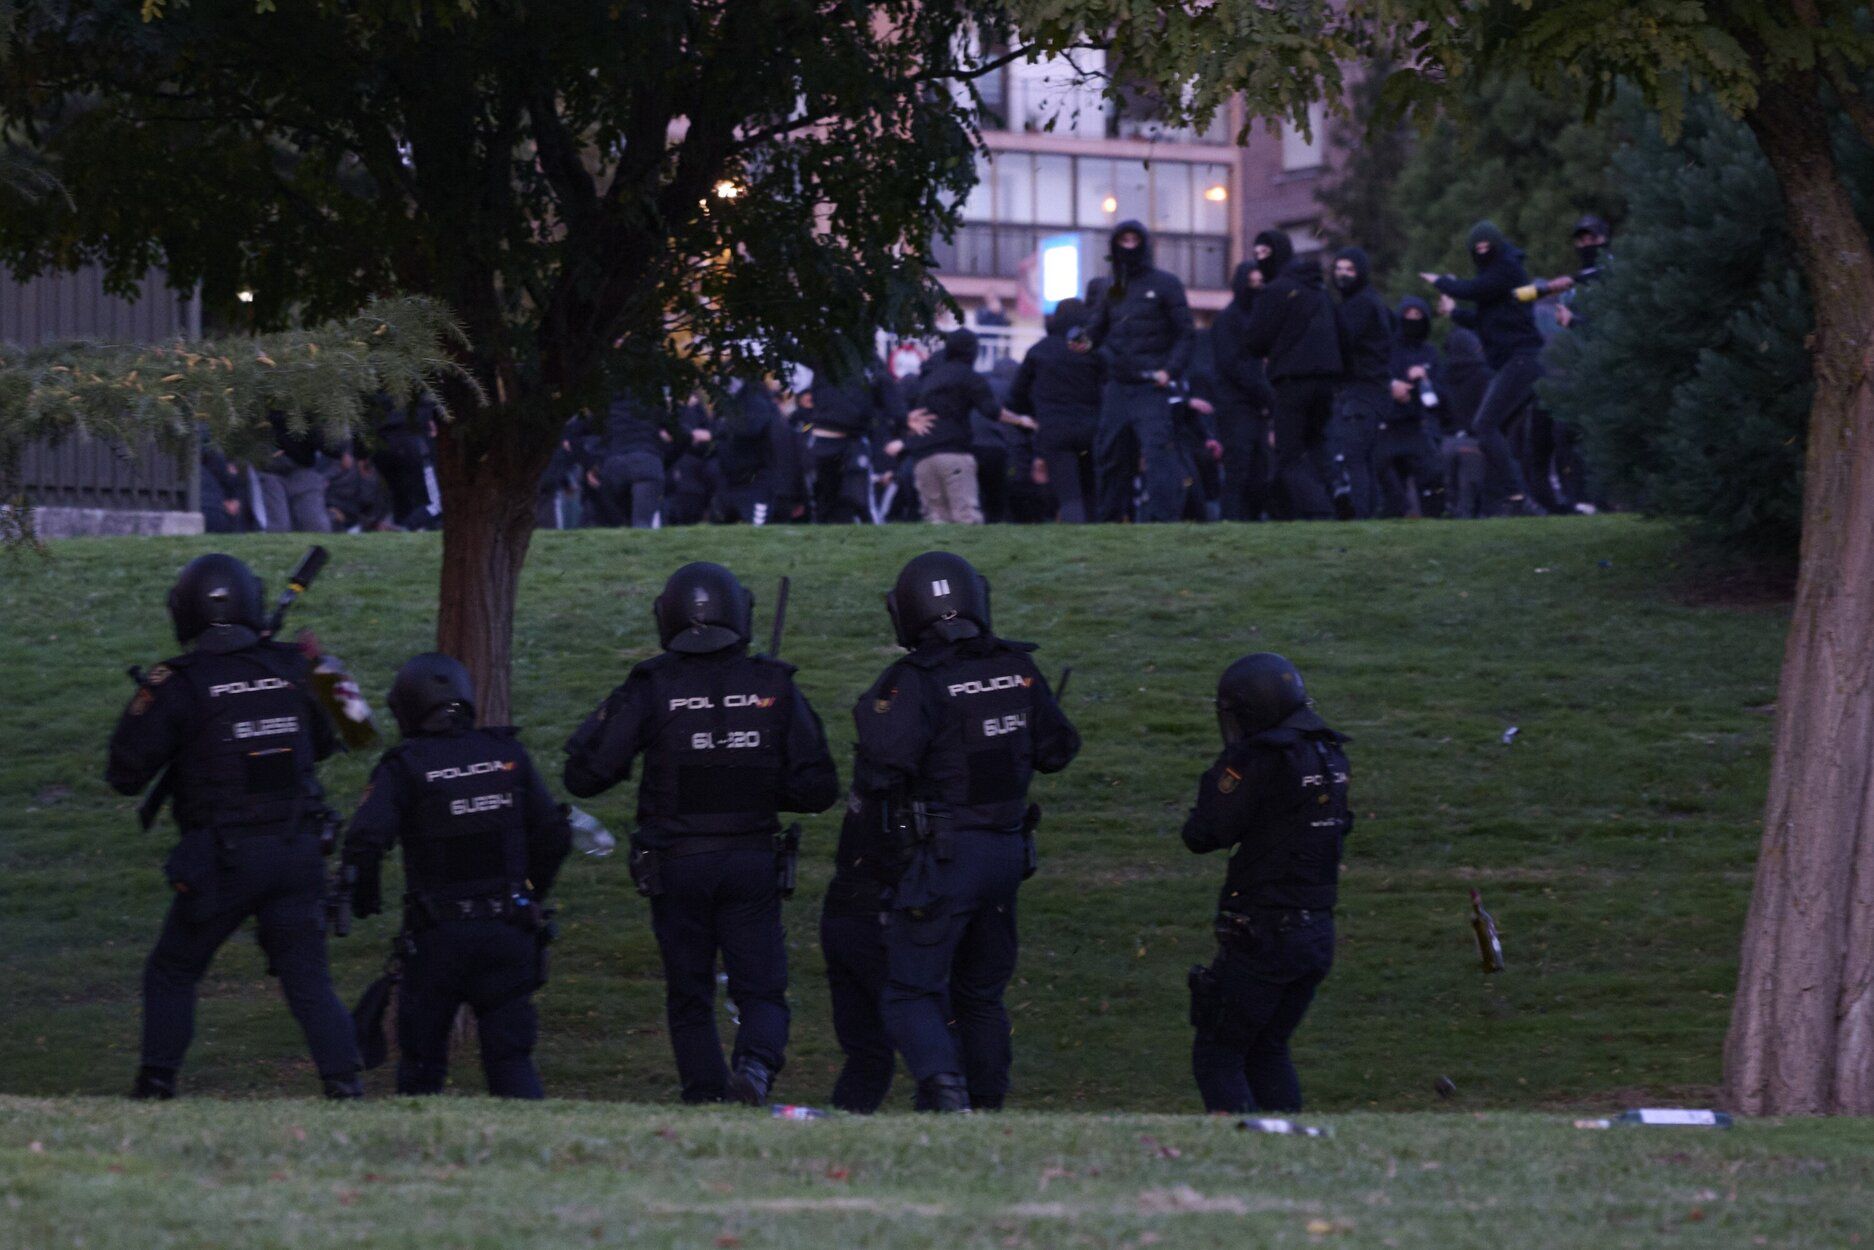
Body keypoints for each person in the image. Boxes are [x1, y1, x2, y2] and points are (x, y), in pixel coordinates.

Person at [562, 562, 839, 1104]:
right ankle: (755, 1069)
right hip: (750, 861)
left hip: (677, 863)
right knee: (761, 988)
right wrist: (758, 782)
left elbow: (586, 775)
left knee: (689, 993)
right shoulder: (772, 683)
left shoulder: (652, 685)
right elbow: (818, 789)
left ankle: (704, 1093)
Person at [105, 554, 361, 1100]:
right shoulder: (295, 666)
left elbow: (123, 774)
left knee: (173, 970)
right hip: (297, 850)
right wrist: (324, 665)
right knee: (307, 978)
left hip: (224, 858)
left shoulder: (178, 682)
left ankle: (155, 1087)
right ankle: (347, 1088)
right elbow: (356, 730)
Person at [852, 552, 1080, 1111]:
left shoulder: (917, 681)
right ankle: (987, 1102)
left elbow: (881, 764)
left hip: (946, 858)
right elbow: (1059, 750)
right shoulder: (1018, 668)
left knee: (911, 990)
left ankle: (945, 1090)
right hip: (1006, 853)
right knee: (980, 995)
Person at [341, 653, 571, 1097]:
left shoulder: (406, 766)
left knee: (422, 1065)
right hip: (508, 930)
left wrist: (365, 898)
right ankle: (536, 1157)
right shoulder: (508, 754)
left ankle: (420, 1159)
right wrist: (529, 892)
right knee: (511, 1060)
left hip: (438, 938)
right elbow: (555, 835)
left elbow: (365, 839)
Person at [1182, 653, 1351, 1115]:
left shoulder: (1261, 758)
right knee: (1268, 1048)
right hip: (1316, 930)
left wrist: (1224, 772)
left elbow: (1203, 834)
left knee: (1218, 1055)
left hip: (1266, 932)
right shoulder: (1329, 753)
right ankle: (1287, 1159)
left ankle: (1243, 1160)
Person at [1421, 221, 1548, 515]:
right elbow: (1482, 320)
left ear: (1497, 245)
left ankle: (1518, 498)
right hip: (1514, 362)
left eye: (1485, 247)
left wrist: (1442, 282)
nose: (1482, 253)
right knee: (1497, 432)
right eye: (1476, 249)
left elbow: (1472, 289)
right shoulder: (1497, 283)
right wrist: (1453, 313)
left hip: (1522, 360)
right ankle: (1508, 500)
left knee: (1484, 426)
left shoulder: (1507, 269)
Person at [1085, 220, 1196, 523]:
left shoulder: (1165, 284)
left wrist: (1169, 371)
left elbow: (1185, 333)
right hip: (1119, 385)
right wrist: (1082, 341)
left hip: (1152, 386)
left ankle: (1163, 519)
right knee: (1110, 454)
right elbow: (1096, 329)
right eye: (1124, 240)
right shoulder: (1112, 287)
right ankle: (1109, 521)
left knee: (1158, 453)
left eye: (1135, 240)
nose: (1129, 247)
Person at [1242, 238, 1344, 521]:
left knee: (1288, 453)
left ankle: (1320, 510)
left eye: (1265, 252)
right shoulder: (1319, 290)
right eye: (1257, 253)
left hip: (1292, 380)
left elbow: (1254, 340)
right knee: (1316, 443)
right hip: (1326, 380)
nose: (1260, 259)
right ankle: (1338, 492)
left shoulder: (1275, 291)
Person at [818, 783, 900, 1112]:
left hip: (843, 910)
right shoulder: (906, 781)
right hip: (877, 917)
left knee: (868, 1052)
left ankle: (844, 1123)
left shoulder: (871, 772)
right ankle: (951, 1104)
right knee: (923, 1024)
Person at [1009, 298, 1106, 523]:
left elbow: (1016, 396)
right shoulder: (1092, 350)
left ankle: (1075, 538)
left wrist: (1035, 414)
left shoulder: (1039, 351)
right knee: (1090, 491)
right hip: (1092, 429)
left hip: (1055, 430)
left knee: (1069, 494)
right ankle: (1096, 539)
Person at [1207, 262, 1277, 522]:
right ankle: (1235, 520)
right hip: (1237, 405)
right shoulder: (1229, 321)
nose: (1257, 288)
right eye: (1253, 283)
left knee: (1258, 469)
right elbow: (1235, 366)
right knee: (1241, 469)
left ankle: (1245, 520)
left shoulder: (1253, 319)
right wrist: (1265, 392)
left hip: (1253, 404)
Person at [1327, 247, 1391, 519]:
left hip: (1362, 391)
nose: (1342, 275)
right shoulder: (1369, 302)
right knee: (1364, 458)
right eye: (1338, 269)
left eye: (1349, 270)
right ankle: (1368, 515)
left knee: (1355, 457)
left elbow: (1340, 343)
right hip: (1370, 391)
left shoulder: (1359, 305)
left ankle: (1362, 516)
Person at [799, 362, 903, 524]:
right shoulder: (862, 366)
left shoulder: (866, 367)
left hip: (848, 440)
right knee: (827, 499)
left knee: (858, 499)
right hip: (835, 438)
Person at [1378, 297, 1445, 518]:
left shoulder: (1429, 353)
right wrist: (1396, 387)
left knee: (1432, 475)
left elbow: (1441, 393)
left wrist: (1426, 380)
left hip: (1417, 426)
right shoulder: (1387, 350)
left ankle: (1434, 519)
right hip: (1388, 426)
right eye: (1408, 316)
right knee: (1391, 483)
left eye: (1418, 316)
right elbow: (1377, 378)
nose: (1412, 321)